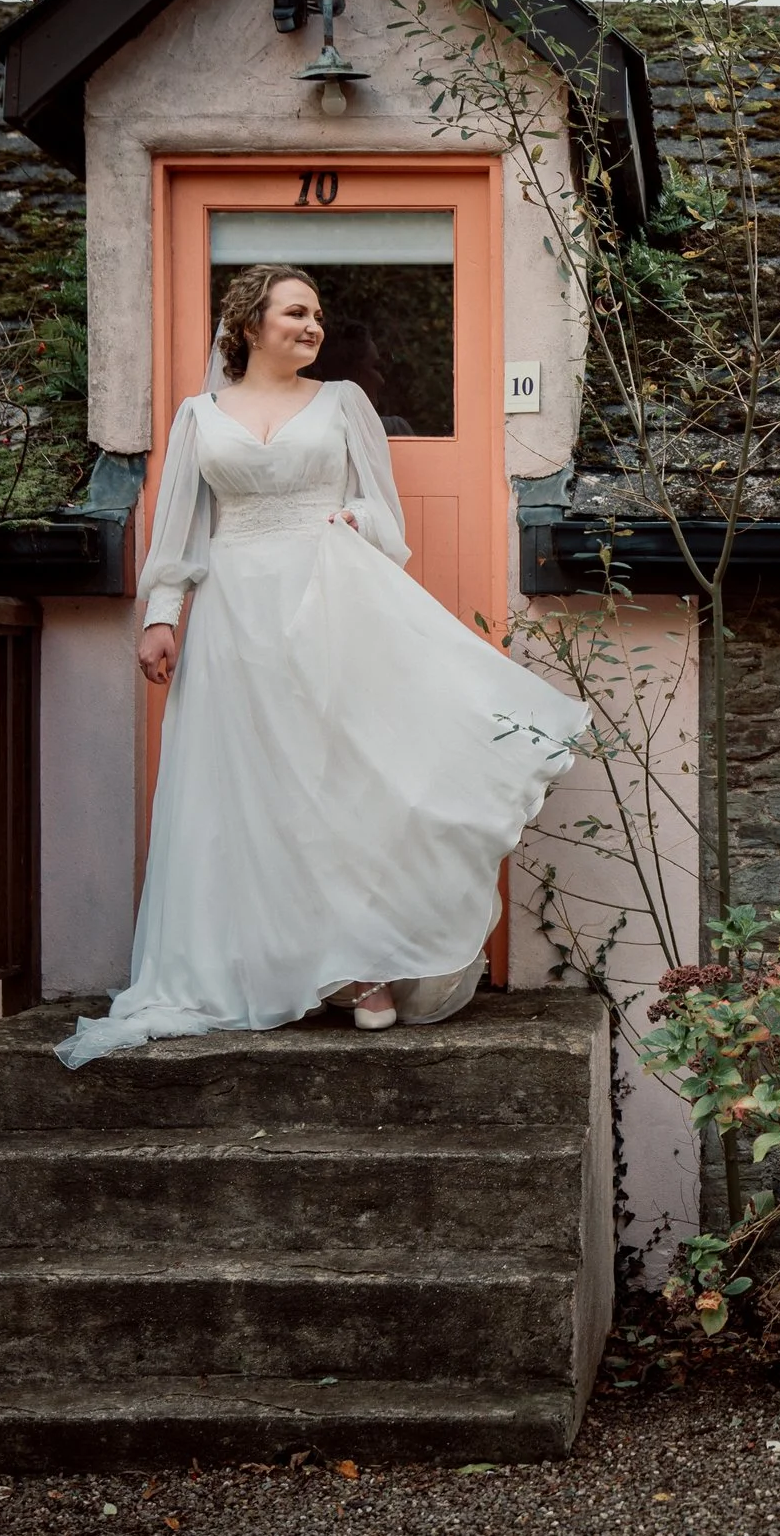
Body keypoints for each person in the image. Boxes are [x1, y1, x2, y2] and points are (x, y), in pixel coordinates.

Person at [55, 264, 590, 1069]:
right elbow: (180, 530)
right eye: (296, 312)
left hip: (328, 606)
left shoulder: (344, 403)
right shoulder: (200, 415)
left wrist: (352, 517)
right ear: (250, 324)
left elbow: (389, 517)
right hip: (235, 617)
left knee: (335, 778)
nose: (312, 326)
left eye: (317, 314)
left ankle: (364, 968)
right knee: (251, 789)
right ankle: (265, 965)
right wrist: (163, 615)